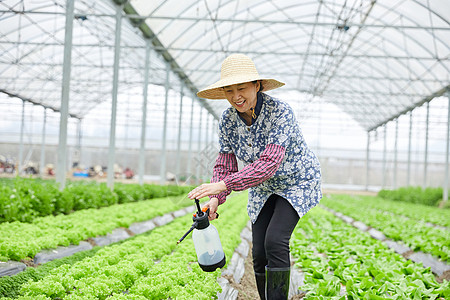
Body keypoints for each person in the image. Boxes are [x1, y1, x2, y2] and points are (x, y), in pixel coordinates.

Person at [188, 54, 322, 300]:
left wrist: (222, 184)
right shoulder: (228, 120)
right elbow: (225, 163)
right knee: (259, 251)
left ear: (257, 86)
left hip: (296, 181)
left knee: (275, 241)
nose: (236, 96)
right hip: (262, 187)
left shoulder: (280, 112)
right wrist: (216, 199)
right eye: (229, 90)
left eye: (242, 88)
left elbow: (269, 163)